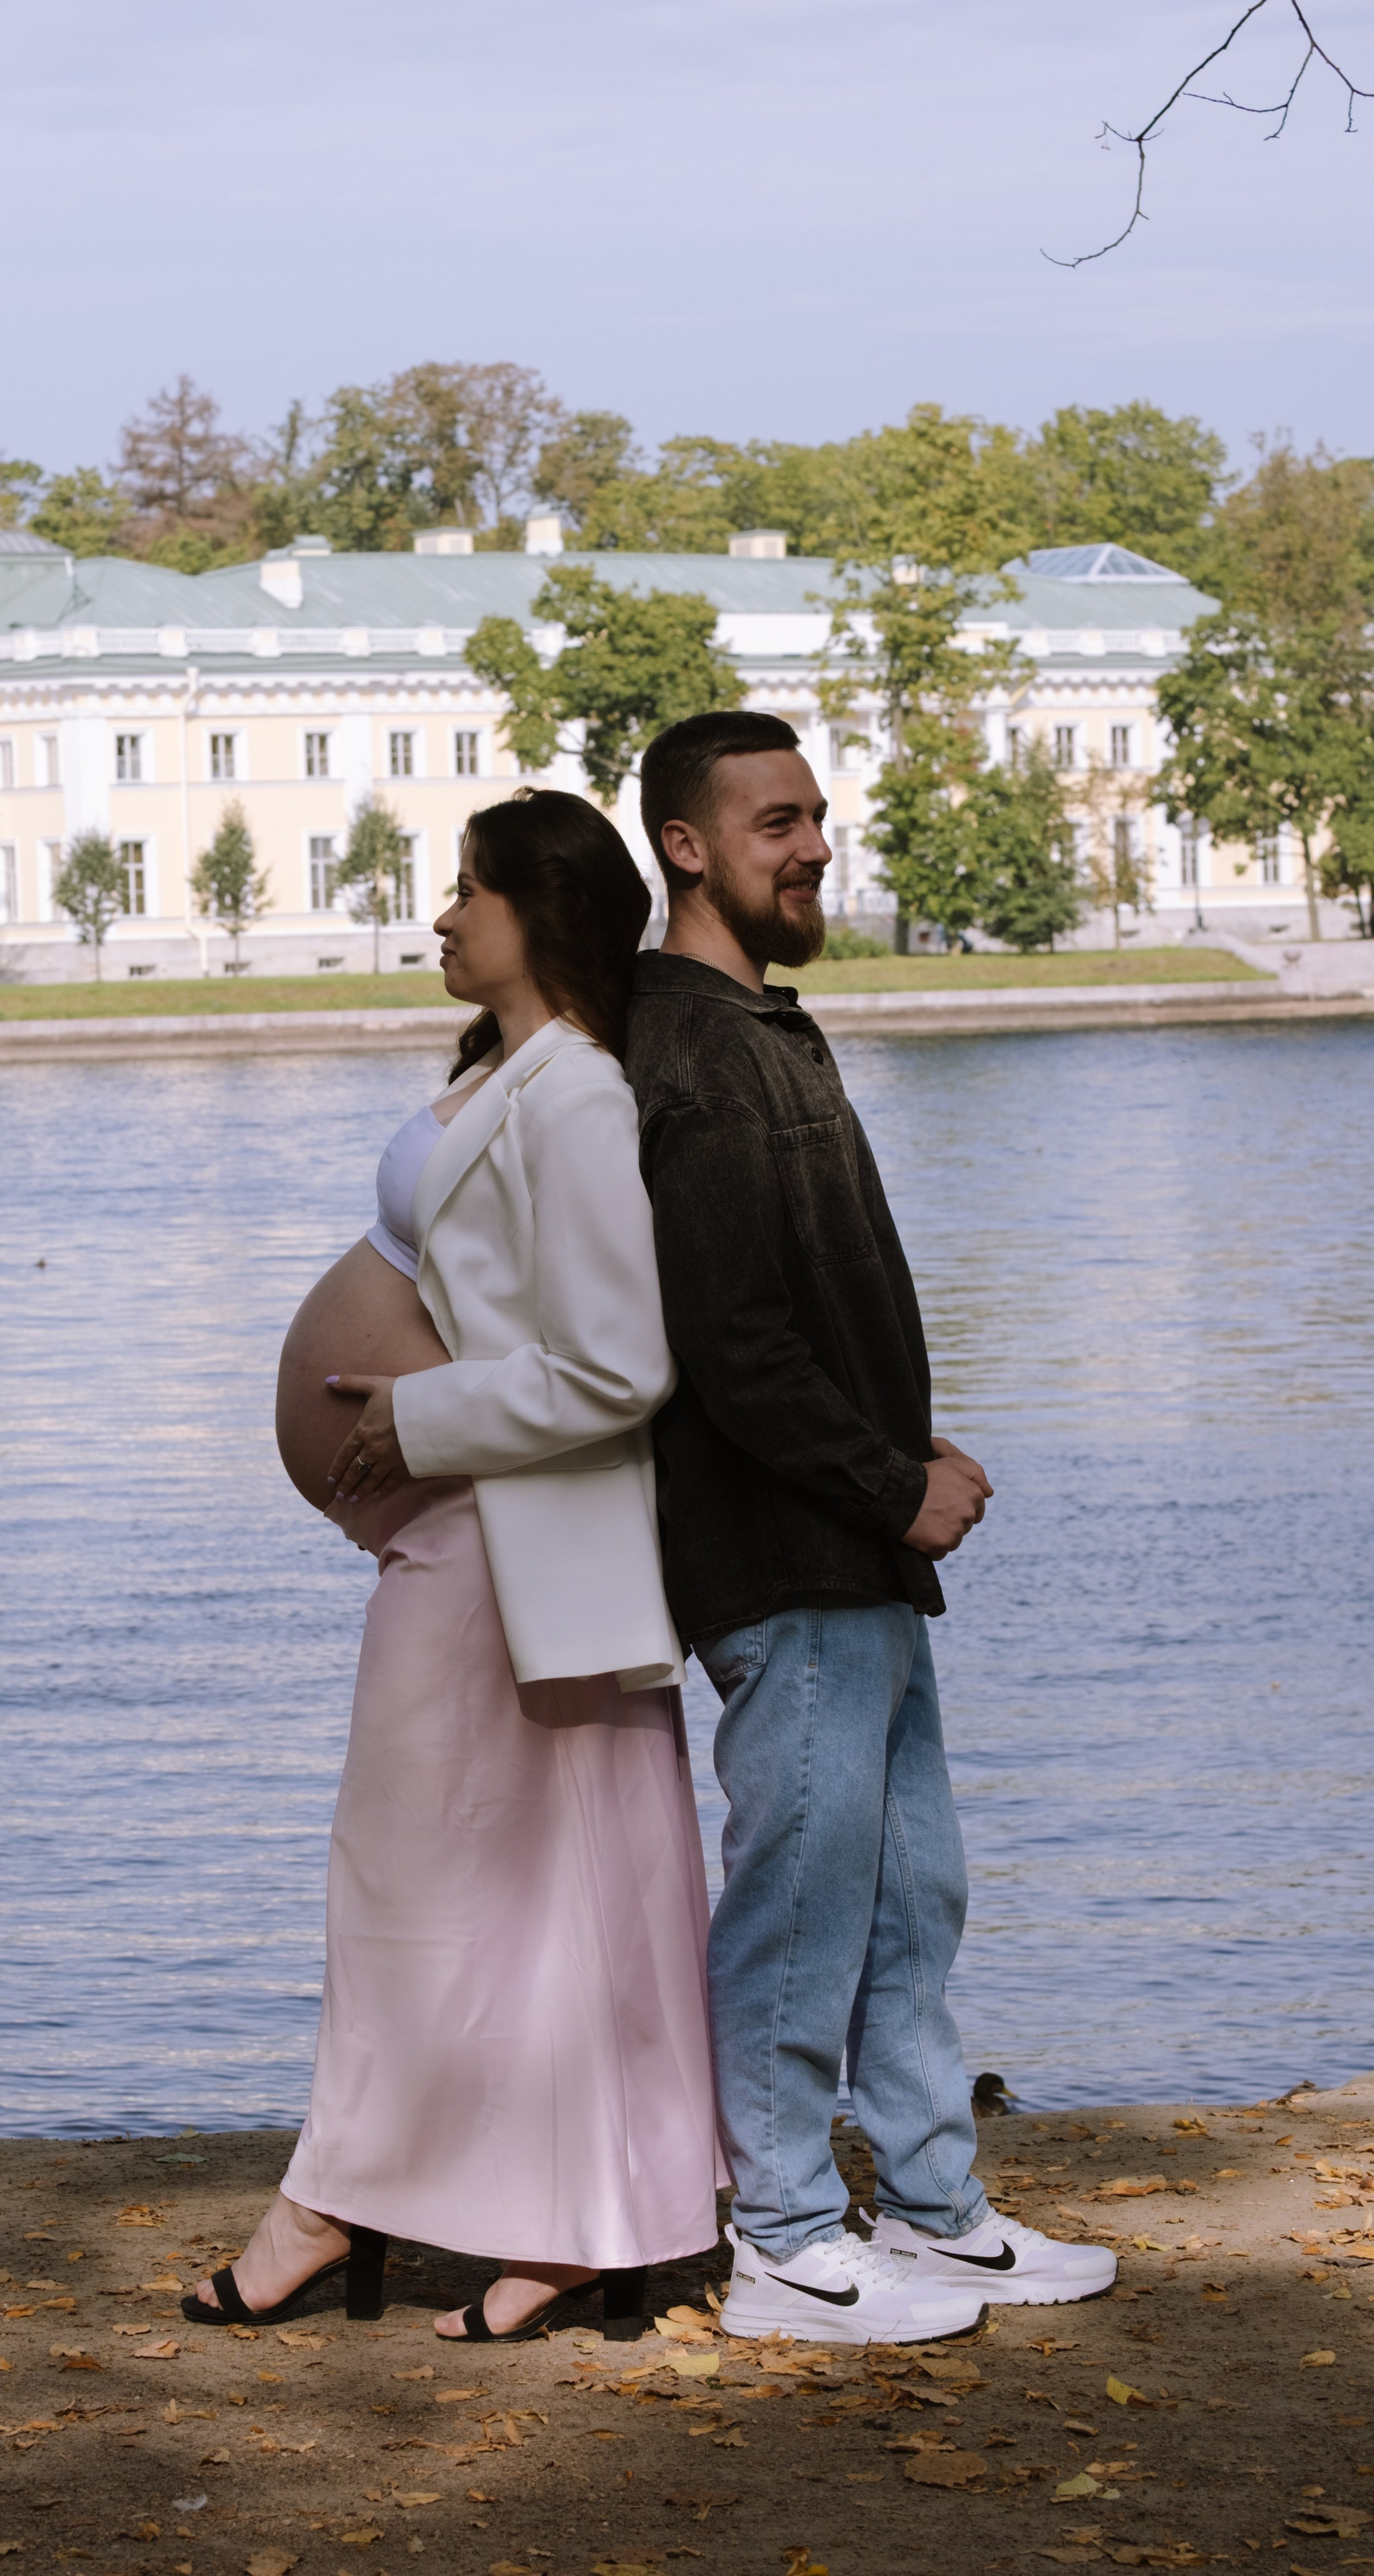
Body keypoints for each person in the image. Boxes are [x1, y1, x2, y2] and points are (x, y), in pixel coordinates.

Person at [183, 788, 721, 2347]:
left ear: (535, 914)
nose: (438, 917)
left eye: (463, 892)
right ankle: (525, 2218)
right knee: (504, 1891)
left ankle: (372, 2208)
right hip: (464, 1538)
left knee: (465, 1884)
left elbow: (619, 1364)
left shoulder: (575, 1100)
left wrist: (413, 1411)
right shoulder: (508, 1073)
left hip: (509, 1537)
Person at [623, 709, 1117, 2344]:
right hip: (781, 1557)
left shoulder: (768, 1029)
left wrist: (903, 1448)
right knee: (798, 1901)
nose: (813, 846)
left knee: (910, 1900)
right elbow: (729, 1341)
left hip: (856, 1548)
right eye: (774, 823)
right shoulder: (684, 1051)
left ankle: (928, 2210)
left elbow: (808, 1309)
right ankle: (773, 2233)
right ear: (687, 846)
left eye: (816, 816)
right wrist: (887, 1480)